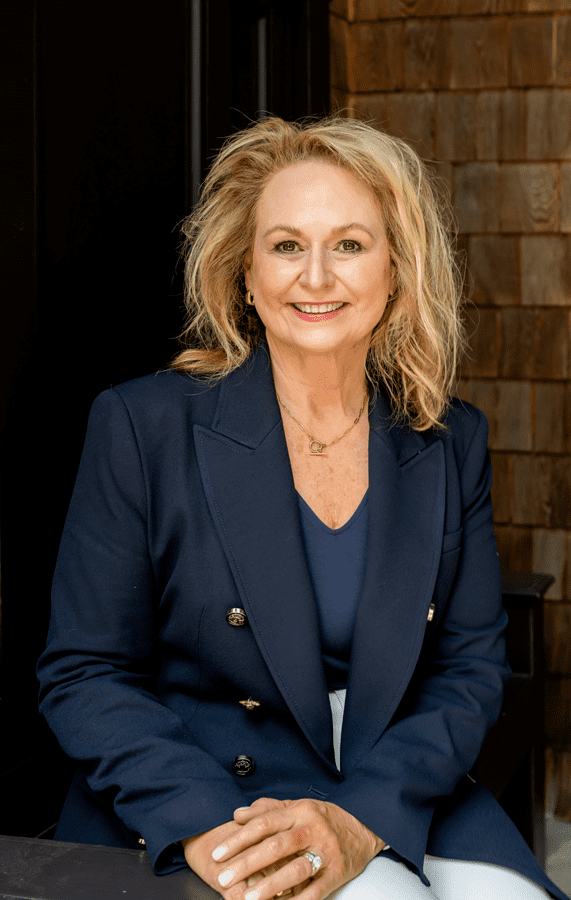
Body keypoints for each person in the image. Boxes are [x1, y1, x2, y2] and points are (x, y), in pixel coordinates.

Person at [37, 116, 566, 900]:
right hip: (212, 796)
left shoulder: (448, 439)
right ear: (247, 274)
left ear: (395, 272)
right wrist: (207, 826)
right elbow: (85, 672)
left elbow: (469, 670)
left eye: (348, 244)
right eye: (286, 246)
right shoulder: (142, 425)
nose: (315, 276)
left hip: (392, 790)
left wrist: (361, 820)